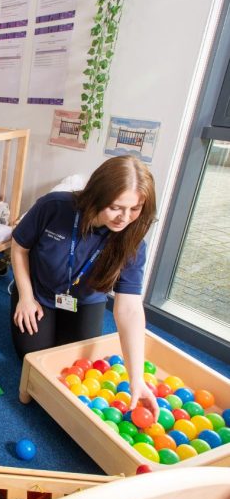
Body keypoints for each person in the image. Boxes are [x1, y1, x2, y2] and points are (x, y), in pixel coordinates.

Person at [11, 155, 159, 417]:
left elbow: (130, 311)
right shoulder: (55, 206)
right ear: (97, 195)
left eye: (134, 209)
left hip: (85, 302)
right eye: (116, 207)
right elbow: (20, 247)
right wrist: (25, 296)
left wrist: (136, 379)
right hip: (38, 293)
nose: (124, 218)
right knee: (33, 358)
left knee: (73, 367)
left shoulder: (133, 242)